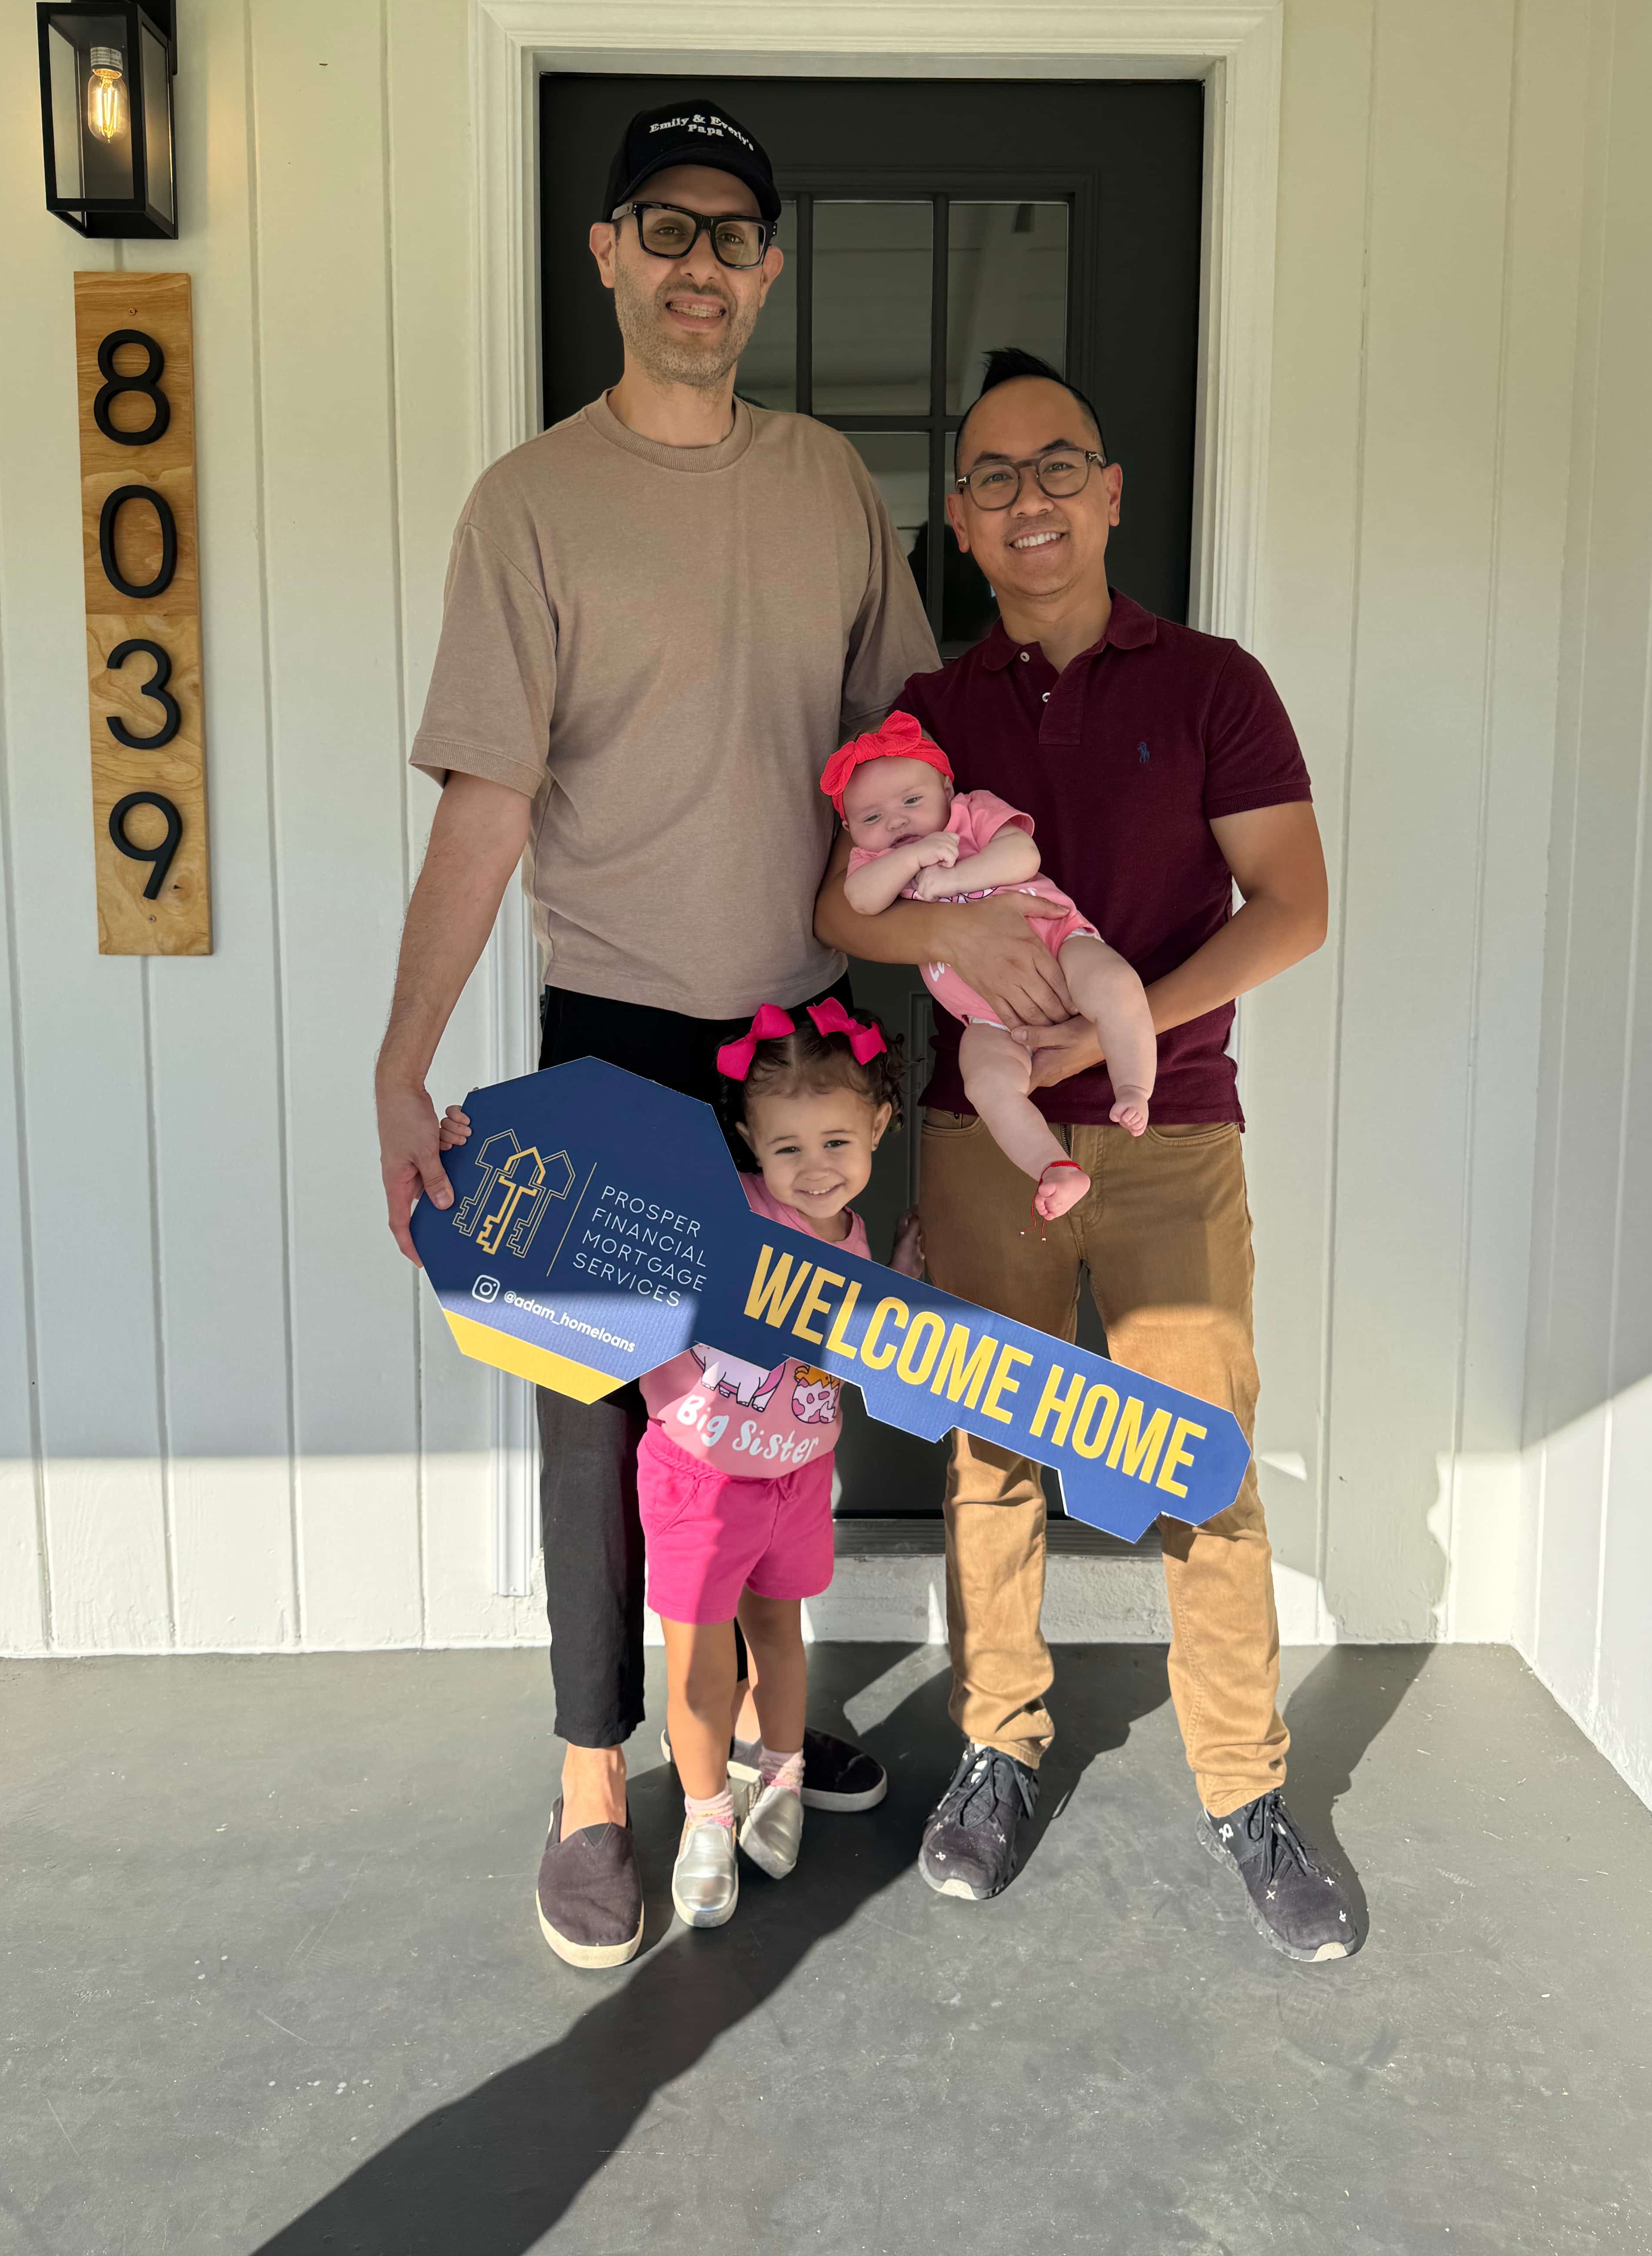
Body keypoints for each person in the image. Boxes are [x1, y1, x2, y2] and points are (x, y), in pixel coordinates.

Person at [376, 97, 940, 1969]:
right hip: (615, 1046)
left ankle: (772, 1727)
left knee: (786, 1410)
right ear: (606, 254)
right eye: (664, 228)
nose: (699, 263)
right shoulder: (528, 504)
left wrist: (963, 981)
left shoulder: (832, 490)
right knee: (599, 1419)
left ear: (767, 273)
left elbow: (907, 756)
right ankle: (592, 1790)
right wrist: (402, 1062)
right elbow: (485, 801)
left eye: (732, 236)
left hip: (808, 1051)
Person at [815, 347, 1361, 1962]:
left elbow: (1298, 907)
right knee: (991, 1455)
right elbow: (836, 908)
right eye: (991, 477)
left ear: (1111, 495)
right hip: (977, 1145)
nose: (1028, 496)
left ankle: (1245, 1788)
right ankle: (1000, 1744)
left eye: (1059, 465)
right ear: (962, 530)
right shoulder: (929, 719)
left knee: (1198, 1462)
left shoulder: (1213, 685)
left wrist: (1098, 1040)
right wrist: (964, 923)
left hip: (1168, 1126)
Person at [449, 1001, 924, 1936]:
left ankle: (776, 1778)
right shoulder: (725, 1206)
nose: (816, 1168)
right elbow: (590, 1200)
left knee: (783, 1648)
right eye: (788, 1149)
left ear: (878, 1128)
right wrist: (483, 1149)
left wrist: (900, 1280)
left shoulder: (858, 1238)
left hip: (795, 1481)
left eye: (837, 1140)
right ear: (748, 1143)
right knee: (703, 1669)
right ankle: (706, 1817)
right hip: (702, 1481)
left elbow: (866, 1342)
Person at [821, 710, 1157, 1219]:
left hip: (1058, 941)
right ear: (849, 828)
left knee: (1114, 984)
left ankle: (1133, 1083)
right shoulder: (875, 864)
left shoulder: (970, 813)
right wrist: (912, 860)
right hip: (984, 1017)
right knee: (986, 1083)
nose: (896, 822)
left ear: (946, 786)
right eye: (871, 818)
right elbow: (861, 902)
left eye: (912, 801)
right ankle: (1053, 1167)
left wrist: (953, 880)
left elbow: (1022, 856)